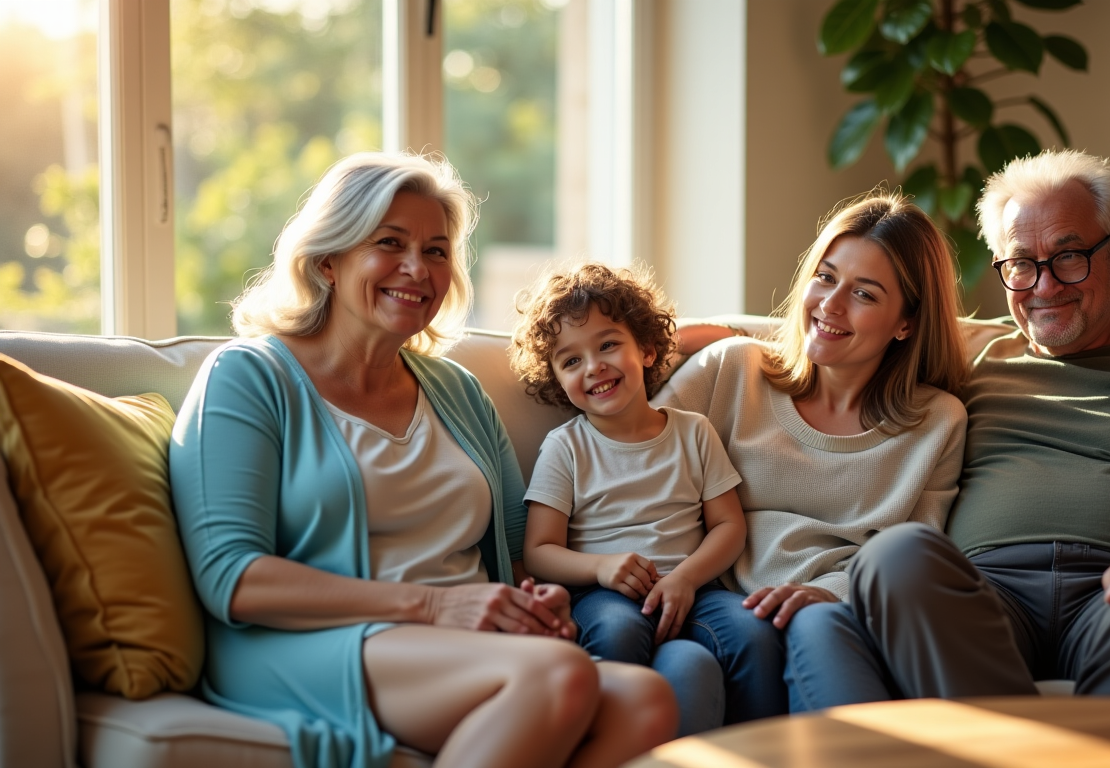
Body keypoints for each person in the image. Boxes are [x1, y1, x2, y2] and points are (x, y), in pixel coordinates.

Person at [169, 152, 676, 768]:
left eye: (436, 250)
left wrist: (534, 604)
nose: (417, 268)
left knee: (646, 698)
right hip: (311, 641)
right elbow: (232, 577)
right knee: (557, 676)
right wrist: (438, 606)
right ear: (328, 259)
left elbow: (513, 556)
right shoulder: (249, 376)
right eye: (390, 242)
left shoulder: (457, 390)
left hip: (458, 639)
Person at [786, 149, 1110, 709]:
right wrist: (695, 341)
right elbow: (829, 334)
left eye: (1069, 257)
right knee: (893, 557)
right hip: (985, 595)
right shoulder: (965, 357)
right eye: (1020, 264)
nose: (1044, 286)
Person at [652, 192, 971, 711]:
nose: (830, 305)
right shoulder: (733, 369)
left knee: (820, 625)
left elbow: (912, 554)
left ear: (906, 322)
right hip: (723, 604)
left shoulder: (938, 421)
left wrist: (831, 593)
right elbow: (633, 449)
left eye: (864, 295)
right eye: (825, 277)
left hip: (840, 612)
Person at [509, 263, 786, 734]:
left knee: (754, 635)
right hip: (604, 596)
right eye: (571, 360)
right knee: (618, 633)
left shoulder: (693, 432)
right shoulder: (565, 447)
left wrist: (684, 579)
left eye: (608, 344)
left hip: (693, 590)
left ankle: (762, 752)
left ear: (647, 349)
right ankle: (608, 741)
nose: (593, 366)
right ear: (558, 379)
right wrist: (600, 567)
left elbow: (729, 526)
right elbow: (538, 551)